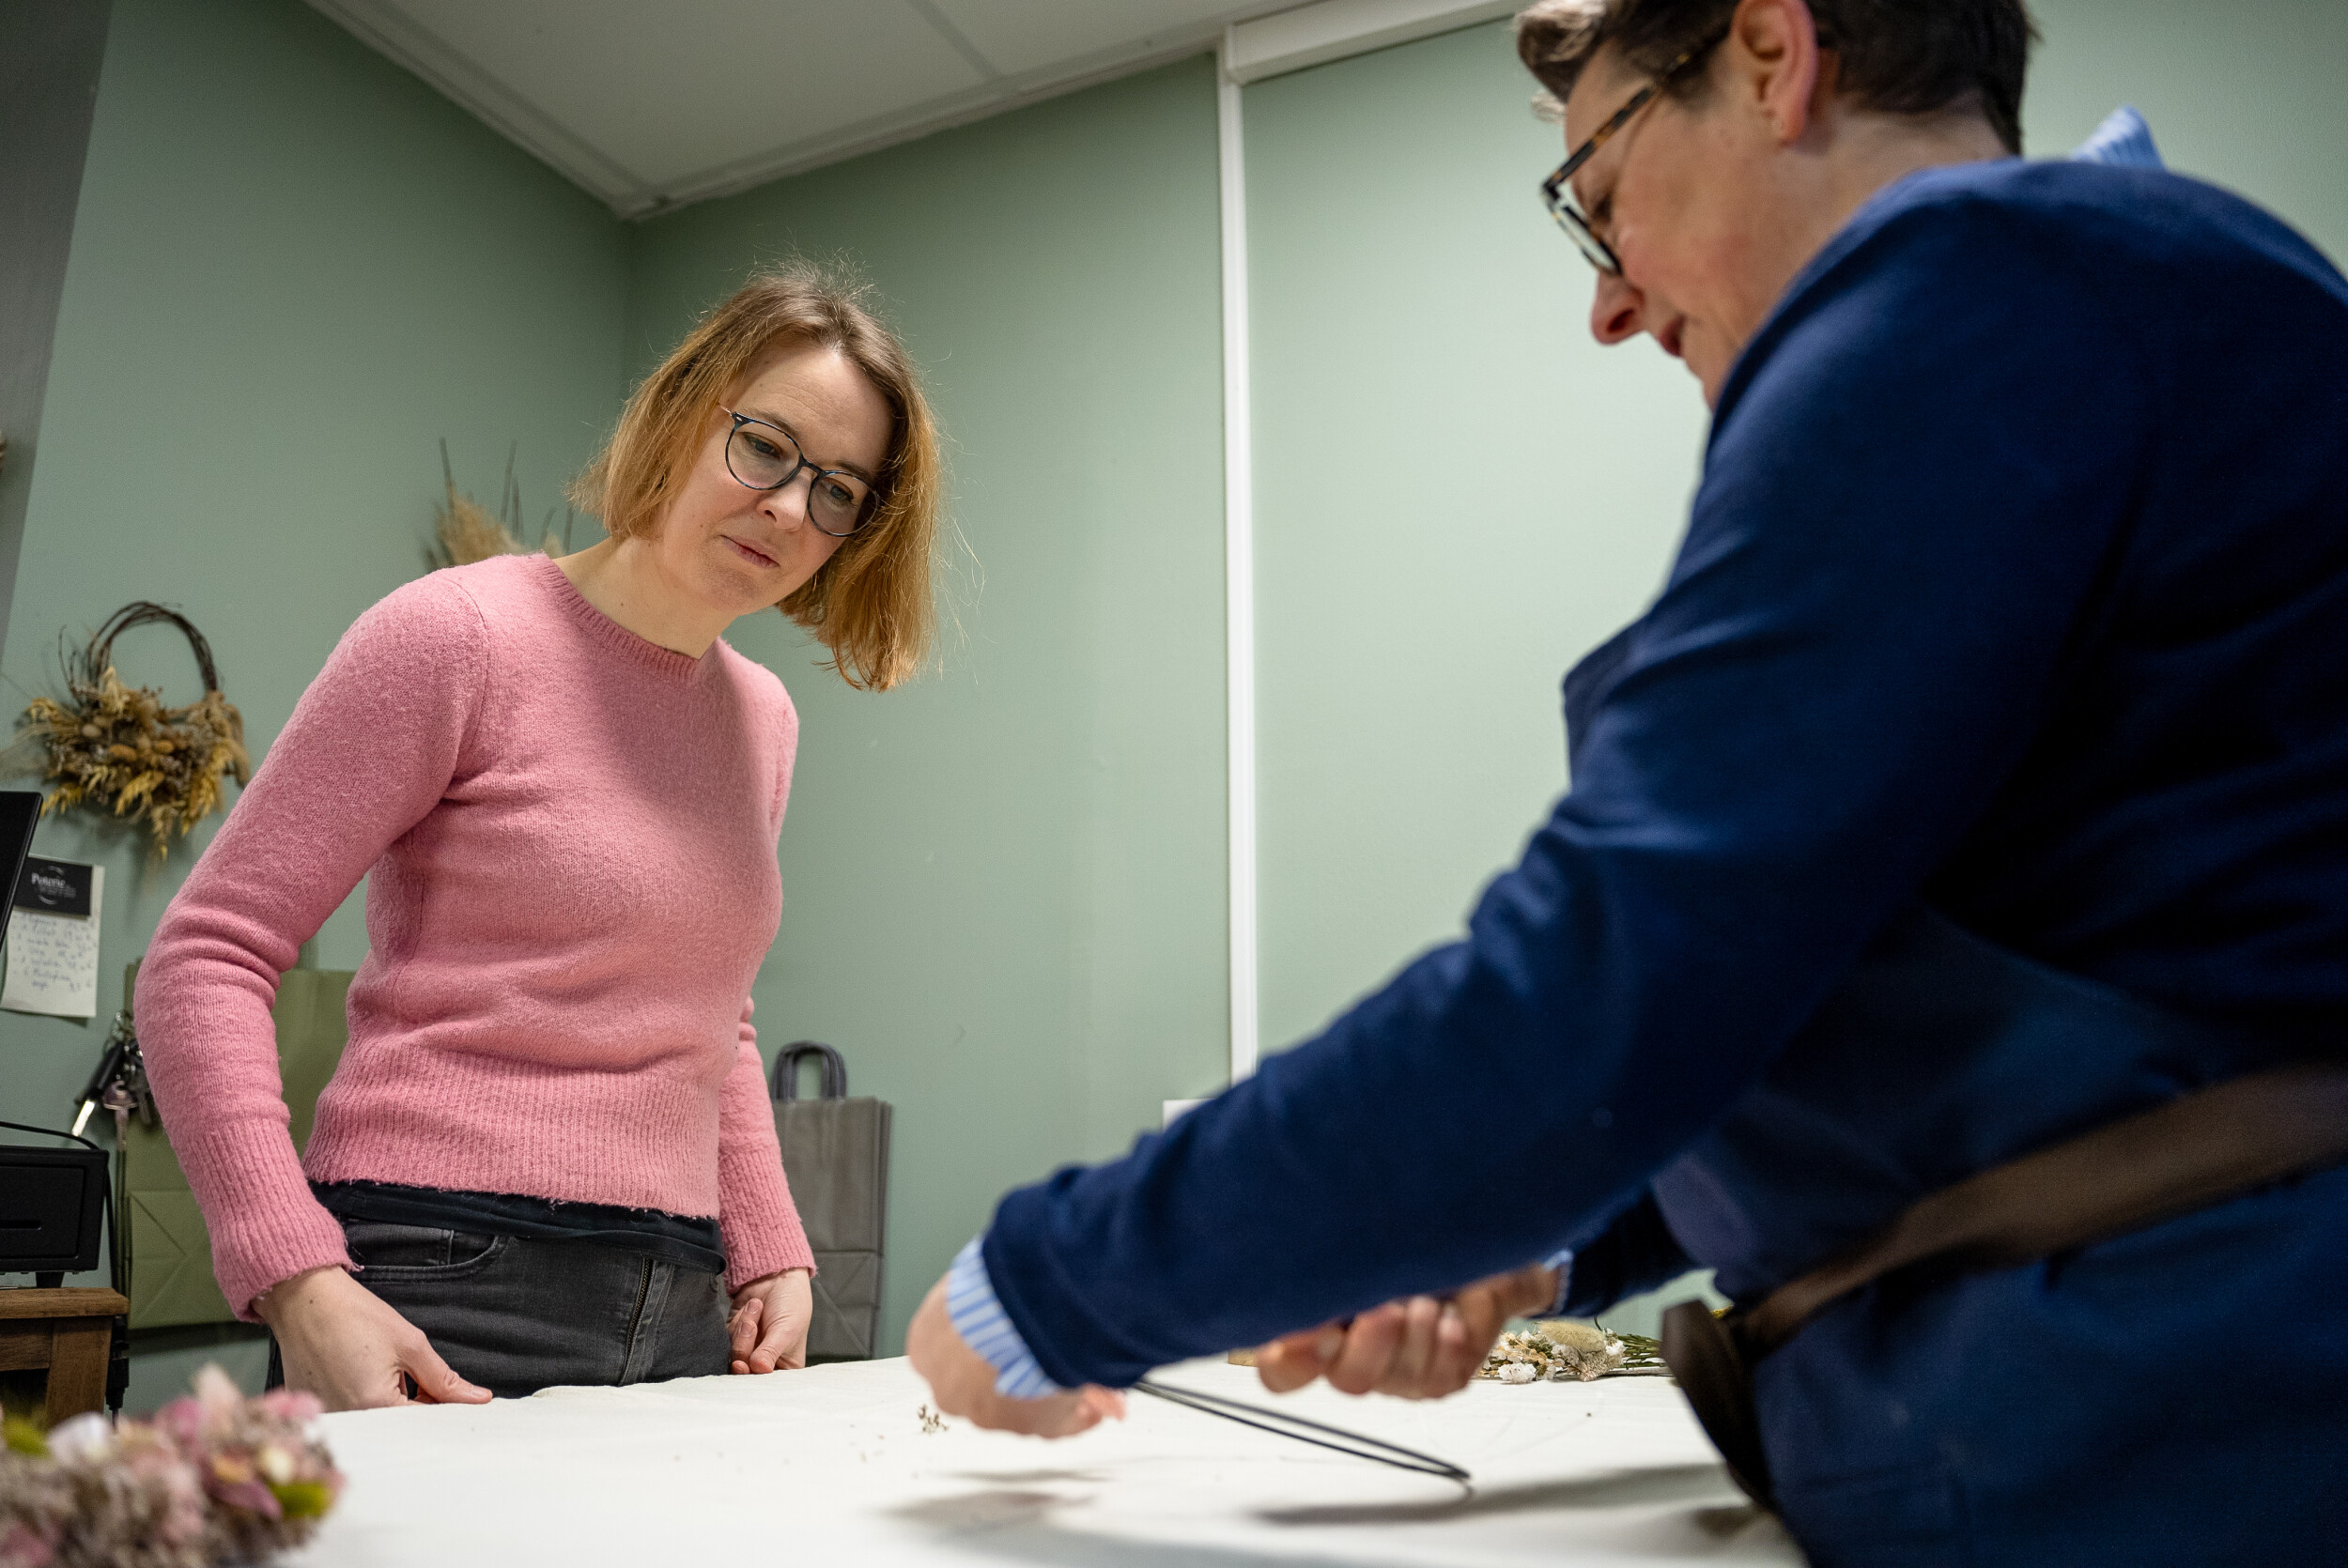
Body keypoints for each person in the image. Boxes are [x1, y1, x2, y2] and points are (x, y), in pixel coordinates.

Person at [906, 0, 2348, 1560]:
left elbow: (1610, 985)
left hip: (2176, 1431)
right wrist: (1554, 1246)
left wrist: (1042, 1288)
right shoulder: (2118, 309)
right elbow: (1902, 1012)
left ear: (1770, 54)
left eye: (1600, 201)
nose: (1608, 307)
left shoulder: (1986, 283)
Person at [138, 264, 942, 1409]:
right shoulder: (455, 636)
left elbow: (716, 1018)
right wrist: (294, 1273)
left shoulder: (765, 719)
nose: (787, 506)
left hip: (684, 1300)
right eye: (765, 446)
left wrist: (771, 1240)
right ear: (683, 412)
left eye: (837, 490)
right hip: (442, 1278)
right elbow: (206, 954)